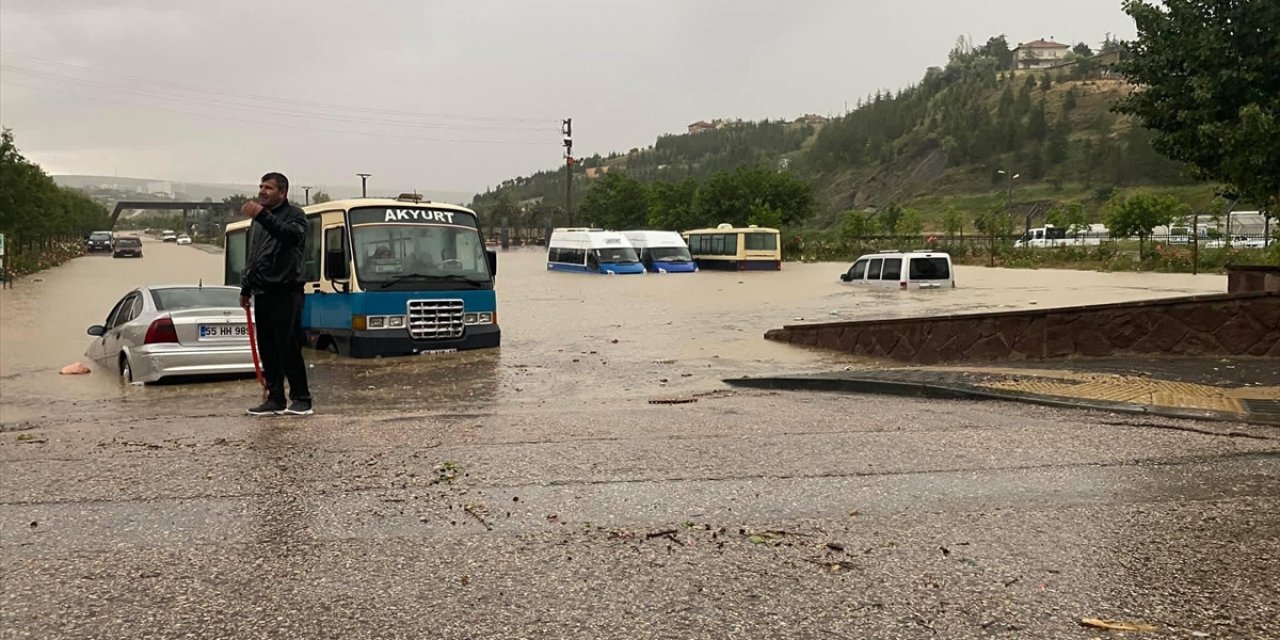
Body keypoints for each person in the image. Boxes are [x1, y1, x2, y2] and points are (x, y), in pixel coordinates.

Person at [240, 172, 313, 416]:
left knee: (288, 347)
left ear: (282, 192)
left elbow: (290, 237)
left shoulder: (295, 215)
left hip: (286, 291)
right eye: (260, 186)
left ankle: (301, 399)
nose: (262, 191)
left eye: (268, 187)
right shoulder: (257, 222)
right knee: (268, 348)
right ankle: (275, 399)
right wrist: (246, 288)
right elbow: (253, 256)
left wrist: (262, 215)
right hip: (262, 291)